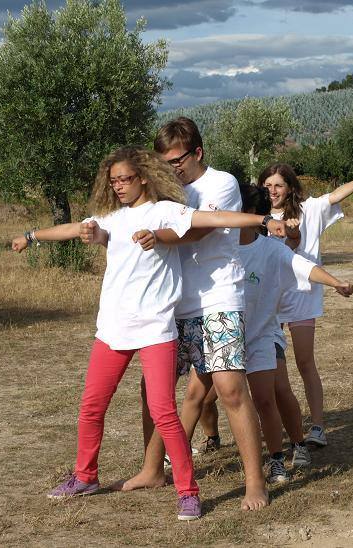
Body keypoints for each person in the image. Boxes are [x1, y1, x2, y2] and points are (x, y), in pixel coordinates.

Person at [11, 146, 290, 521]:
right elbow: (75, 228)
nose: (119, 186)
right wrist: (31, 236)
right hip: (112, 327)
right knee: (92, 405)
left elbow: (213, 218)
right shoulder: (111, 217)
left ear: (143, 177)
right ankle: (85, 476)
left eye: (125, 179)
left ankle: (187, 492)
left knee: (163, 411)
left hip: (156, 328)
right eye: (113, 181)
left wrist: (262, 220)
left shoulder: (165, 211)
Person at [90, 118, 273, 511]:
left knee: (229, 389)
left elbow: (201, 229)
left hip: (218, 298)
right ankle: (152, 469)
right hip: (170, 305)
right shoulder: (163, 191)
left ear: (198, 153)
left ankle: (255, 483)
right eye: (164, 162)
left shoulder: (220, 184)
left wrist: (157, 235)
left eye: (177, 161)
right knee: (154, 390)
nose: (171, 168)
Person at [197, 184, 353, 483]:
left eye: (233, 209)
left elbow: (303, 266)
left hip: (262, 336)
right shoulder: (217, 246)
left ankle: (281, 456)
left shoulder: (270, 249)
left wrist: (336, 282)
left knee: (267, 399)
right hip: (224, 336)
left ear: (250, 214)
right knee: (200, 398)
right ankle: (177, 458)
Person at [258, 163, 353, 447]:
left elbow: (335, 196)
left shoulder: (309, 210)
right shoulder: (256, 218)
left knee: (304, 362)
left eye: (279, 185)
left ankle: (317, 426)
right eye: (267, 185)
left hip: (302, 296)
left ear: (290, 188)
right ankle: (275, 426)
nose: (272, 191)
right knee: (267, 366)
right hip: (268, 299)